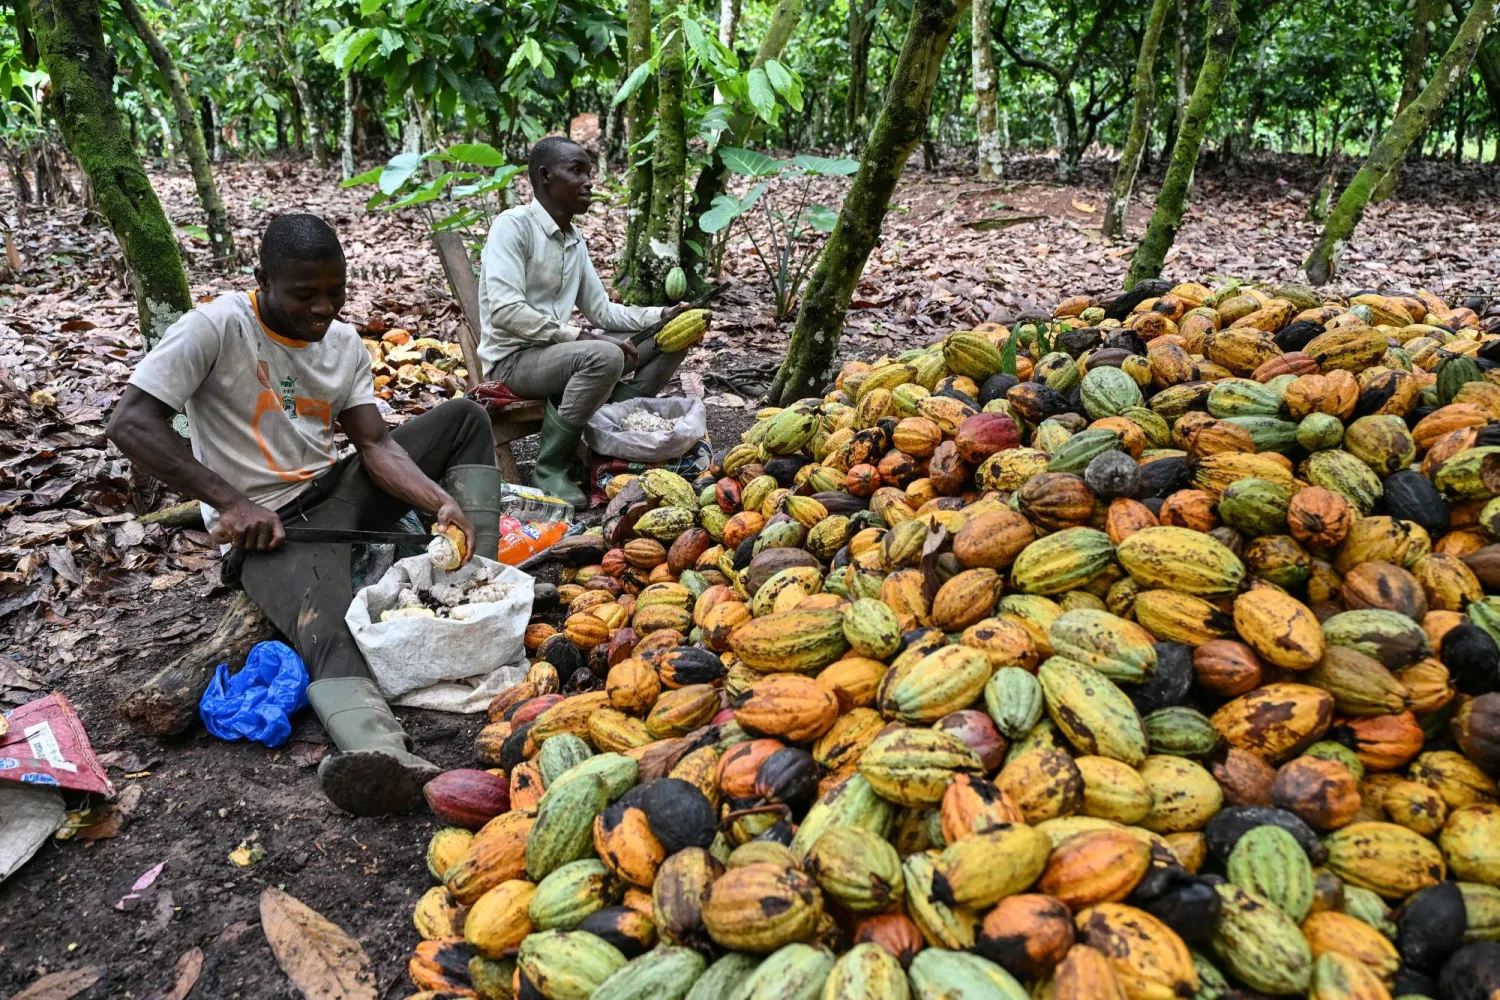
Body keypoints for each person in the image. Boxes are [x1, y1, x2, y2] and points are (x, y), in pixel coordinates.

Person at [107, 214, 497, 817]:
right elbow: (130, 422)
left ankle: (485, 582)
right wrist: (232, 503)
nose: (323, 309)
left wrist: (438, 501)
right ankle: (382, 754)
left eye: (335, 292)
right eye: (305, 294)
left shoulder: (342, 345)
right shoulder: (215, 327)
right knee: (328, 626)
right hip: (269, 532)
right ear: (262, 279)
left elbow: (376, 446)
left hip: (334, 492)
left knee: (466, 419)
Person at [478, 135, 693, 506]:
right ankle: (551, 469)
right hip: (512, 362)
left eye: (589, 173)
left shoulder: (574, 239)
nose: (588, 182)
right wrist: (583, 337)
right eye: (576, 171)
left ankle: (606, 429)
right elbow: (505, 310)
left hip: (558, 355)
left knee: (674, 337)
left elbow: (604, 311)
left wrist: (663, 315)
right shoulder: (513, 226)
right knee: (605, 355)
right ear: (545, 176)